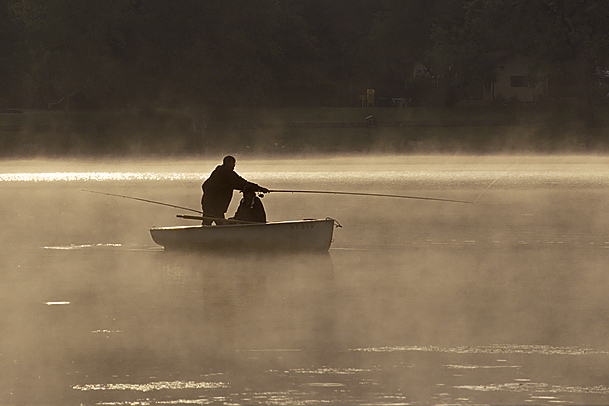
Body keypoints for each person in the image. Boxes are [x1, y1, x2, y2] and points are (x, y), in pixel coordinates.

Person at [201, 155, 269, 225]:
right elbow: (242, 183)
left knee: (208, 221)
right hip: (216, 204)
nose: (234, 166)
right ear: (229, 163)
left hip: (207, 202)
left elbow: (204, 185)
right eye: (233, 163)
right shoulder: (227, 174)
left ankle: (202, 234)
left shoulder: (217, 172)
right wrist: (259, 188)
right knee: (219, 222)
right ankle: (224, 234)